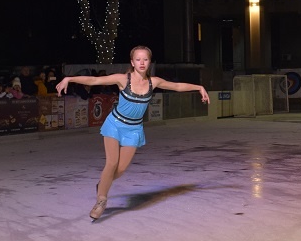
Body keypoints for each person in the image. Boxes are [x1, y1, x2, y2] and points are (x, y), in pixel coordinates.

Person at [55, 45, 209, 221]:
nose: (142, 62)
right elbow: (95, 81)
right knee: (111, 163)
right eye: (138, 59)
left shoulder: (154, 82)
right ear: (132, 62)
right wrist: (69, 78)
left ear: (149, 62)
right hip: (115, 125)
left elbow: (176, 86)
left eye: (145, 59)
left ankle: (102, 184)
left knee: (119, 170)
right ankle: (101, 200)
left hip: (134, 130)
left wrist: (199, 87)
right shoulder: (123, 79)